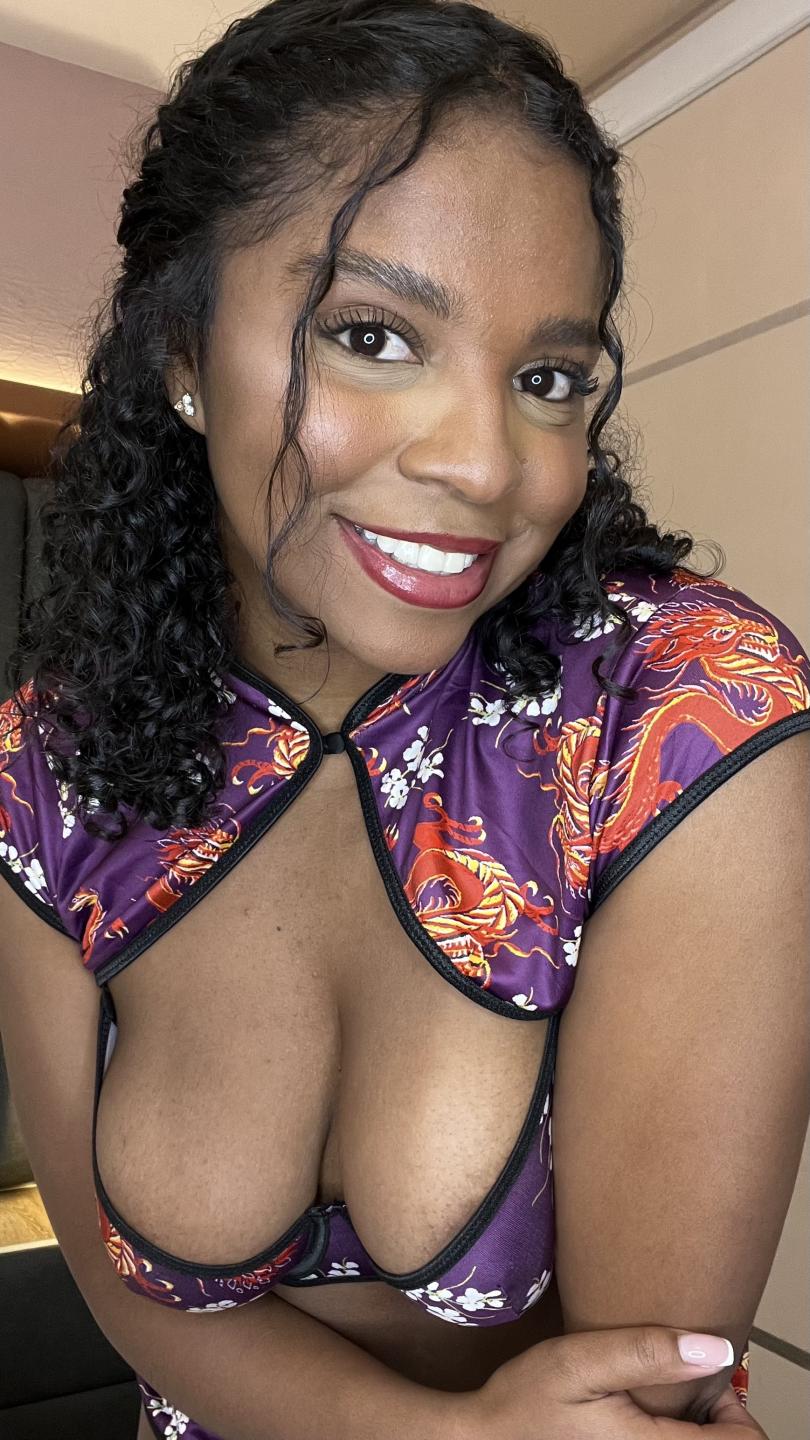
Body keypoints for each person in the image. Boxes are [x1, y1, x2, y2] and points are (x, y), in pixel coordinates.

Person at [0, 2, 808, 1437]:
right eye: (373, 336)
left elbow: (643, 1395)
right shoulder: (47, 770)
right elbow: (125, 1290)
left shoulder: (680, 712)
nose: (488, 464)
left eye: (545, 378)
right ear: (183, 354)